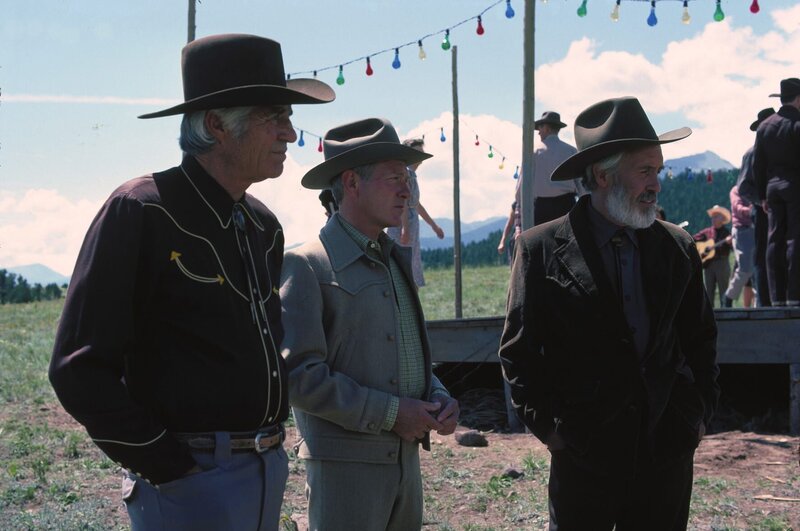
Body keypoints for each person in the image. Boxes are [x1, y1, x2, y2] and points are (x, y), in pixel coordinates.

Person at [48, 34, 334, 531]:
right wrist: (168, 466)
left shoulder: (263, 226)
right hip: (189, 481)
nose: (290, 135)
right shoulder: (142, 210)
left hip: (267, 468)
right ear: (217, 124)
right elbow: (79, 368)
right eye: (276, 116)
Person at [499, 97, 719, 530]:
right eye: (644, 171)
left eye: (658, 170)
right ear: (602, 176)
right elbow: (519, 352)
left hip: (666, 451)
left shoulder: (676, 247)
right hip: (584, 458)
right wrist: (554, 432)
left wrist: (696, 416)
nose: (656, 184)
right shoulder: (541, 249)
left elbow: (701, 339)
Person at [280, 118, 459, 531]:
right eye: (395, 178)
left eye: (408, 179)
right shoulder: (308, 264)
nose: (407, 191)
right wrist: (394, 414)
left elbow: (403, 353)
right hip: (346, 476)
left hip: (404, 465)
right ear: (352, 183)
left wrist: (438, 395)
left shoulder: (394, 259)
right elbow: (300, 379)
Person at [754, 77, 800, 306]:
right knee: (795, 239)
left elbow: (758, 164)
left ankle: (777, 298)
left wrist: (762, 195)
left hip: (771, 189)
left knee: (774, 241)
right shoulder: (798, 123)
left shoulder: (764, 126)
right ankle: (794, 295)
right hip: (795, 186)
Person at [386, 137, 444, 287]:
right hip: (403, 221)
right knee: (404, 264)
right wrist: (404, 228)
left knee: (410, 263)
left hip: (411, 220)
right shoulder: (407, 174)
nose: (421, 155)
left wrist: (434, 226)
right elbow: (403, 201)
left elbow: (415, 204)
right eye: (418, 151)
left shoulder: (411, 175)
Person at [737, 108, 775, 307]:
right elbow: (743, 187)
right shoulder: (751, 153)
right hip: (761, 213)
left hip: (777, 210)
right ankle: (764, 301)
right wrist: (763, 202)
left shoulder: (778, 152)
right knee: (761, 256)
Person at [531, 111, 581, 225]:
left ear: (547, 129)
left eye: (540, 128)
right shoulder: (571, 151)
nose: (538, 132)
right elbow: (581, 184)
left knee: (542, 240)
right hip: (567, 205)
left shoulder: (533, 153)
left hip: (542, 208)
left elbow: (523, 187)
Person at [693, 205, 733, 307]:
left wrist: (730, 243)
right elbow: (693, 239)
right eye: (713, 216)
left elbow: (734, 248)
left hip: (722, 264)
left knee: (724, 291)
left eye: (716, 216)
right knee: (708, 292)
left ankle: (726, 313)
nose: (713, 219)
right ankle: (709, 316)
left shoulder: (728, 233)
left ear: (722, 219)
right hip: (708, 265)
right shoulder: (706, 232)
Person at [723, 185, 756, 307]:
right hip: (742, 231)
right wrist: (750, 210)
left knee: (756, 270)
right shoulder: (736, 190)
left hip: (756, 230)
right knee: (745, 269)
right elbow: (738, 208)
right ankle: (728, 298)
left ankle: (758, 304)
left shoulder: (754, 188)